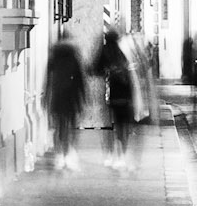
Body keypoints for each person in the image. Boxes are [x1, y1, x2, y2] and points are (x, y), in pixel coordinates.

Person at [92, 23, 142, 169]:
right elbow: (131, 73)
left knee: (109, 126)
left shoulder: (105, 51)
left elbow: (94, 68)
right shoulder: (122, 53)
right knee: (123, 126)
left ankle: (110, 154)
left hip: (111, 95)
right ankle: (122, 155)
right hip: (125, 96)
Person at [42, 32, 87, 172]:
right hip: (71, 96)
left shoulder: (54, 57)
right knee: (71, 126)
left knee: (58, 126)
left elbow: (48, 80)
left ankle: (59, 154)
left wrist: (46, 96)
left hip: (57, 96)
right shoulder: (74, 57)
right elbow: (80, 81)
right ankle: (69, 153)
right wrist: (83, 98)